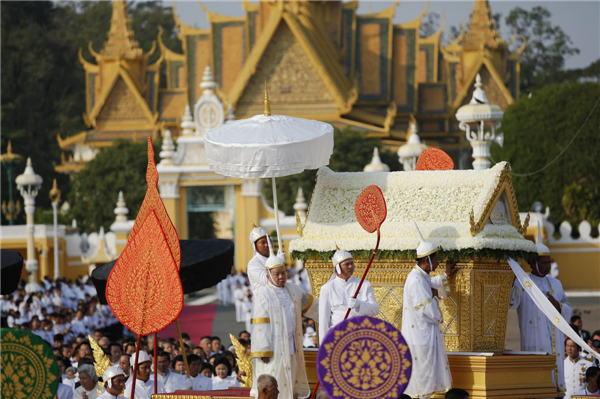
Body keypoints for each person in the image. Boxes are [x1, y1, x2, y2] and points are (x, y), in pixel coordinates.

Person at [250, 240, 318, 399]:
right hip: (272, 349)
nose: (281, 277)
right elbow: (259, 324)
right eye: (276, 274)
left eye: (283, 273)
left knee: (292, 379)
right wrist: (263, 349)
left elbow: (312, 305)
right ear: (268, 275)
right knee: (275, 380)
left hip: (293, 344)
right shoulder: (263, 293)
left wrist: (332, 311)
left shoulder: (294, 289)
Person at [510, 223, 572, 395]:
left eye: (548, 263)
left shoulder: (556, 284)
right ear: (532, 262)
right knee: (535, 388)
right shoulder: (522, 283)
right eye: (543, 263)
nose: (547, 266)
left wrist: (557, 305)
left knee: (554, 388)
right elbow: (511, 303)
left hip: (554, 344)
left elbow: (568, 308)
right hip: (533, 343)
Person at [401, 222, 456, 399]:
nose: (439, 262)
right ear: (427, 260)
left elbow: (432, 285)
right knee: (422, 382)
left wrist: (446, 277)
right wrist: (439, 314)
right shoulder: (416, 280)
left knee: (427, 378)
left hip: (424, 336)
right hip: (420, 338)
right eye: (437, 259)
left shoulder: (421, 276)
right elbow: (426, 309)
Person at [318, 246, 379, 344]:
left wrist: (359, 305)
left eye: (351, 263)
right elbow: (323, 322)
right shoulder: (327, 289)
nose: (350, 266)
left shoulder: (364, 284)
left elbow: (375, 309)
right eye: (346, 264)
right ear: (338, 268)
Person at [247, 224, 271, 294]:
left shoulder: (273, 258)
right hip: (263, 302)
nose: (266, 245)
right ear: (255, 245)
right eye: (262, 243)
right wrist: (278, 265)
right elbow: (267, 281)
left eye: (268, 241)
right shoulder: (253, 263)